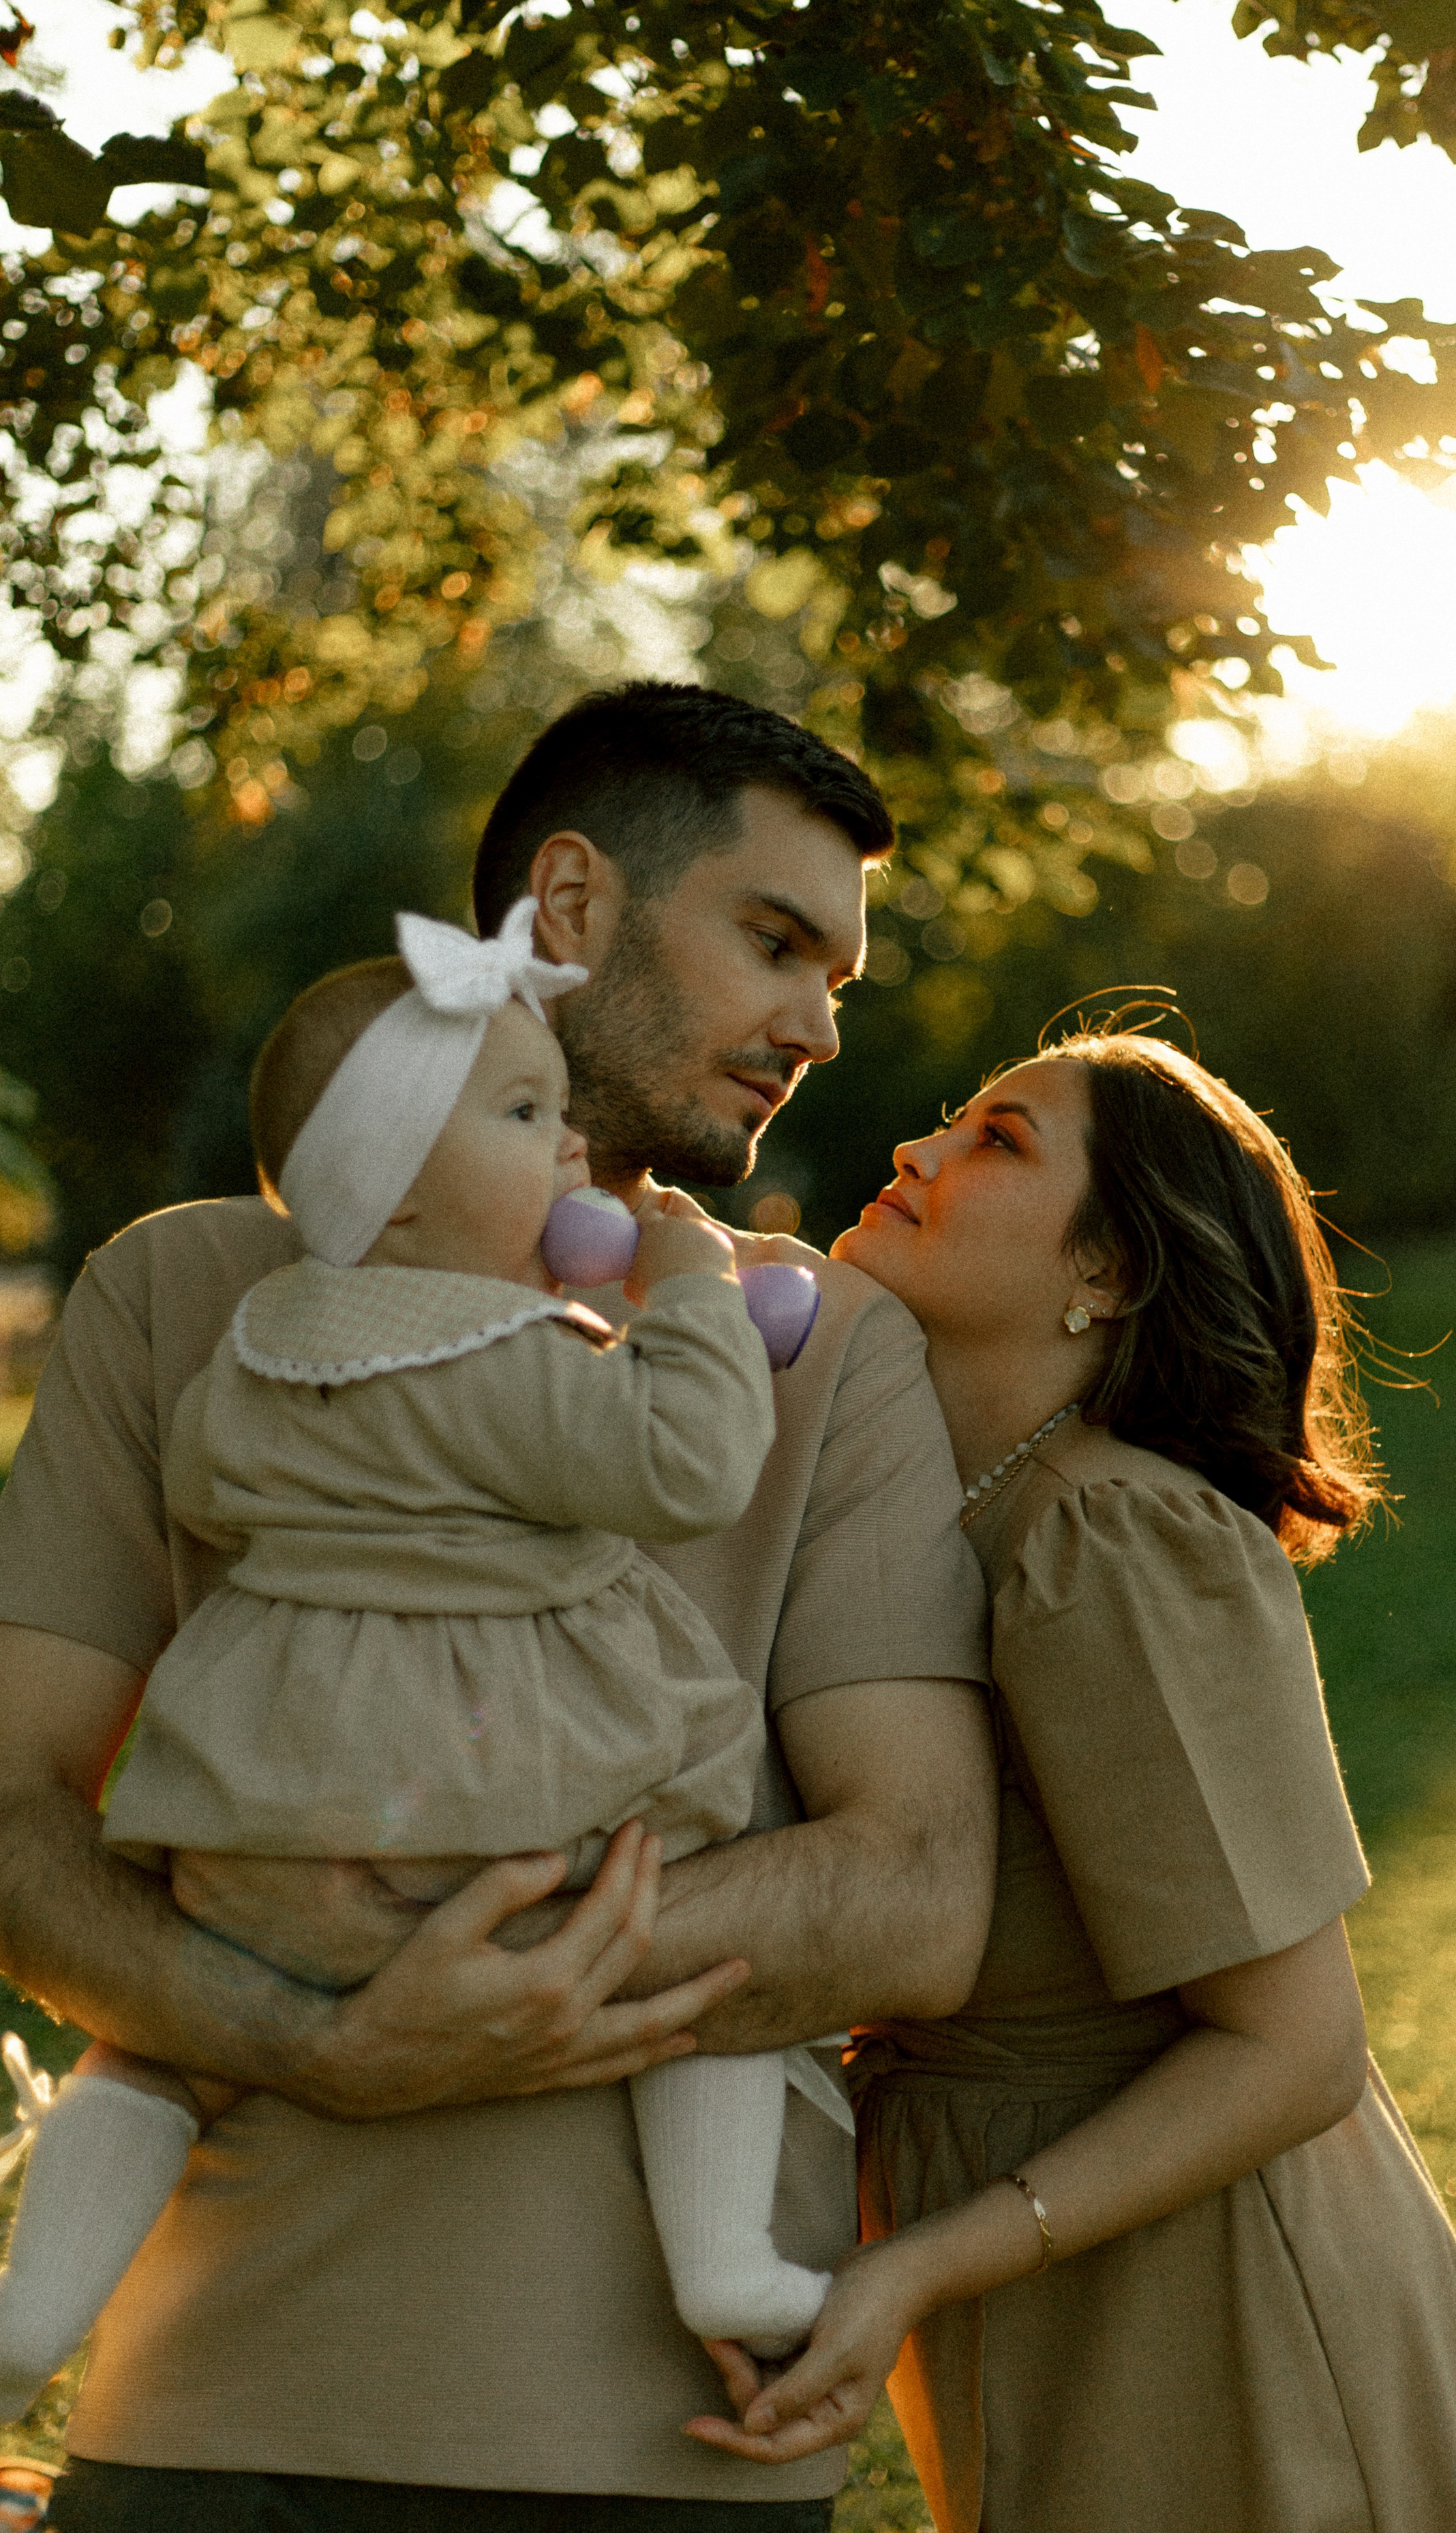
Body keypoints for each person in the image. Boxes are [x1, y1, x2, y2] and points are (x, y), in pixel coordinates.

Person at [0, 684, 995, 2530]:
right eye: (775, 943)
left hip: (659, 2458)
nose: (815, 1024)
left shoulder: (824, 1350)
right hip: (204, 2430)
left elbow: (920, 1894)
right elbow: (6, 1816)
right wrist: (318, 2041)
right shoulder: (187, 1295)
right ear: (568, 907)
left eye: (840, 981)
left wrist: (478, 1988)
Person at [689, 1028, 1456, 2533]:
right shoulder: (940, 1518)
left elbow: (1295, 2048)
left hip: (1221, 2315)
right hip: (1051, 2288)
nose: (918, 1148)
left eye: (999, 1143)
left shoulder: (1102, 1539)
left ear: (1112, 1273)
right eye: (953, 1121)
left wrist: (918, 2264)